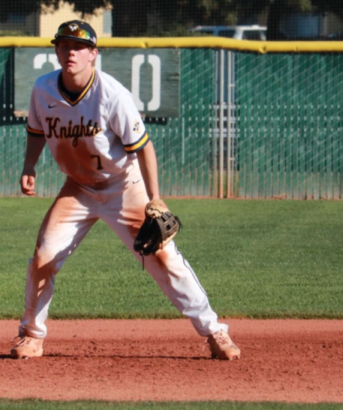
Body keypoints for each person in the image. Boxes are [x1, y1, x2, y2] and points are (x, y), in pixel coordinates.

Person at [12, 20, 240, 361]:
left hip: (123, 186)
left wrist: (155, 198)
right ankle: (31, 335)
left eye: (78, 46)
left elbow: (144, 148)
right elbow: (36, 131)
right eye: (64, 45)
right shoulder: (43, 90)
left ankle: (214, 331)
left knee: (164, 257)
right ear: (56, 50)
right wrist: (29, 165)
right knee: (43, 257)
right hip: (77, 189)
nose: (70, 52)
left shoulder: (111, 94)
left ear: (93, 54)